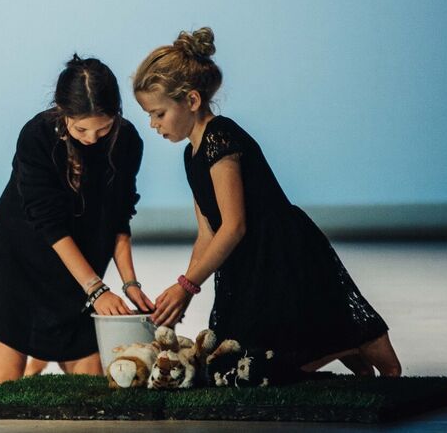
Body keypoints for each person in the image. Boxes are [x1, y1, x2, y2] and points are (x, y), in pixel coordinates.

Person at [131, 27, 401, 377]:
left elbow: (234, 225)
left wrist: (187, 285)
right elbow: (207, 233)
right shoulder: (191, 155)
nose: (153, 124)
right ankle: (349, 352)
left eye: (159, 113)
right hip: (247, 265)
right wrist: (185, 288)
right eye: (149, 115)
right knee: (232, 364)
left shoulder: (219, 139)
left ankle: (357, 349)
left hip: (280, 252)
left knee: (271, 361)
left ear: (192, 101)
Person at [0, 54, 154, 386]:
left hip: (85, 248)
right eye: (81, 128)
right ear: (62, 112)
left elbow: (120, 218)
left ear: (116, 115)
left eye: (103, 129)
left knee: (90, 382)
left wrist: (130, 284)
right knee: (5, 382)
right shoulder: (36, 137)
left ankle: (50, 353)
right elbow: (48, 223)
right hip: (26, 248)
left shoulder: (127, 140)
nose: (91, 138)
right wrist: (96, 289)